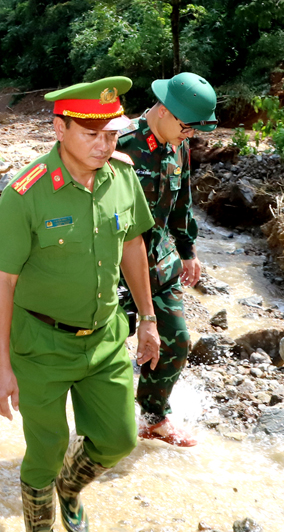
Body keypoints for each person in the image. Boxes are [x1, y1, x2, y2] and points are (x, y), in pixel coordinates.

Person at [0, 77, 161, 532]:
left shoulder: (122, 177)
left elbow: (133, 244)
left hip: (104, 337)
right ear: (60, 129)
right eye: (91, 134)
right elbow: (2, 283)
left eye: (112, 134)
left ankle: (71, 487)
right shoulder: (27, 193)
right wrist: (1, 369)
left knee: (119, 438)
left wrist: (148, 319)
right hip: (41, 345)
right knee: (46, 450)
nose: (104, 145)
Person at [116, 72, 217, 448]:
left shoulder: (179, 145)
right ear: (164, 110)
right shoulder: (120, 143)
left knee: (176, 340)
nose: (190, 135)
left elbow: (182, 203)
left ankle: (153, 416)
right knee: (105, 346)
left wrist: (188, 250)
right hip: (116, 268)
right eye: (187, 127)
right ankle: (100, 420)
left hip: (160, 261)